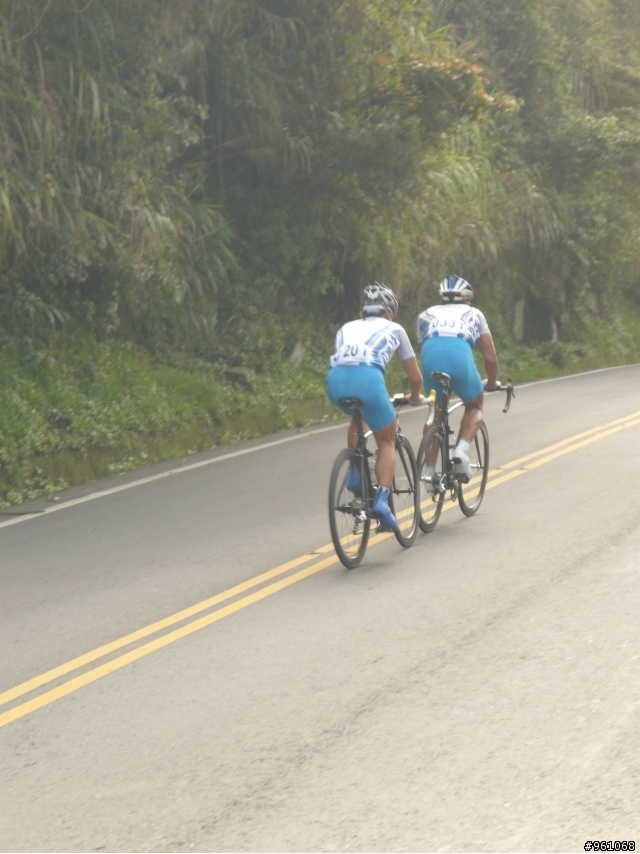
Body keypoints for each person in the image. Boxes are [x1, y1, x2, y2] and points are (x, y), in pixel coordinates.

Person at [327, 282, 424, 532]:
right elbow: (415, 378)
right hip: (368, 380)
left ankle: (354, 470)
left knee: (357, 414)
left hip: (335, 382)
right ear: (389, 312)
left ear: (362, 313)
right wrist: (415, 397)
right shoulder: (395, 328)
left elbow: (347, 361)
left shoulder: (345, 328)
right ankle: (381, 501)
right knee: (387, 441)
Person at [417, 275, 499, 480]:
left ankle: (428, 473)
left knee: (436, 413)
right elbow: (490, 357)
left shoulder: (425, 315)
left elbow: (423, 350)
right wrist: (490, 382)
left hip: (430, 361)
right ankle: (461, 451)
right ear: (467, 299)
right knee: (474, 406)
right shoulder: (474, 314)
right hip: (459, 360)